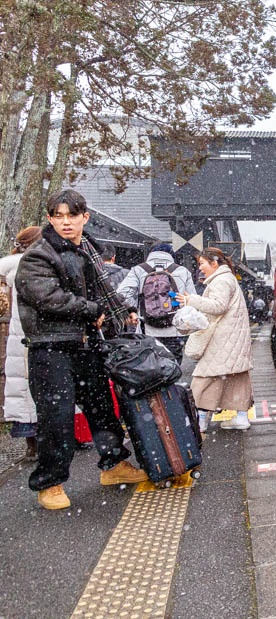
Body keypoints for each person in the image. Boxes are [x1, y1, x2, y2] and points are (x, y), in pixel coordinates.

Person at [15, 189, 147, 510]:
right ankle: (51, 483)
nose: (66, 222)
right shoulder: (38, 255)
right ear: (49, 219)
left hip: (85, 345)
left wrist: (121, 308)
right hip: (50, 349)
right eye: (58, 216)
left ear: (84, 218)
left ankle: (113, 465)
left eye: (72, 216)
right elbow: (47, 297)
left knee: (102, 408)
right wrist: (90, 310)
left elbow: (101, 294)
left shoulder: (85, 252)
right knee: (56, 418)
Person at [179, 247, 254, 431]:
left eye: (202, 263)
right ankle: (241, 417)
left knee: (205, 376)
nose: (200, 268)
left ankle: (200, 420)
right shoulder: (227, 279)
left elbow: (218, 306)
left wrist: (192, 301)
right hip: (233, 336)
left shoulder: (221, 281)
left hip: (223, 337)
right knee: (236, 375)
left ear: (214, 263)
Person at [0, 226, 42, 460]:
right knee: (40, 391)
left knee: (21, 390)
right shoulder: (34, 265)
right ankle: (43, 445)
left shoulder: (7, 267)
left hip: (16, 337)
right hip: (35, 334)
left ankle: (31, 445)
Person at [117, 242, 196, 362]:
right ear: (170, 254)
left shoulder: (138, 270)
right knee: (172, 367)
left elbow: (122, 293)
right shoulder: (182, 271)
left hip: (146, 328)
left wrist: (133, 310)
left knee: (149, 366)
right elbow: (192, 300)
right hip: (175, 331)